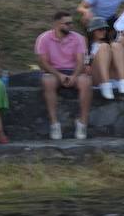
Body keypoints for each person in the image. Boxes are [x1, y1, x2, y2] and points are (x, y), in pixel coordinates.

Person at [35, 11, 91, 141]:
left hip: (74, 71)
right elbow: (43, 62)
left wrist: (74, 76)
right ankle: (54, 124)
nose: (70, 25)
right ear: (56, 24)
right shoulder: (44, 38)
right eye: (67, 23)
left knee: (86, 82)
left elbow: (80, 61)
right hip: (53, 71)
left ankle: (82, 123)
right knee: (48, 81)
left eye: (71, 23)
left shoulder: (78, 38)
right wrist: (59, 75)